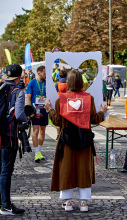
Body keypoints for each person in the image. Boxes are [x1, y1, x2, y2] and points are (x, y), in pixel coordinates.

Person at [45, 69, 107, 212]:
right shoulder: (88, 99)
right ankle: (83, 202)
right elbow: (94, 119)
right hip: (84, 139)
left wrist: (49, 109)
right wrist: (102, 112)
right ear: (81, 82)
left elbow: (57, 121)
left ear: (69, 82)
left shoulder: (61, 99)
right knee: (83, 169)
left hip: (66, 139)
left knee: (66, 168)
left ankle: (67, 202)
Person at [0, 64, 28, 215]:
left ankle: (2, 202)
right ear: (19, 77)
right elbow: (19, 115)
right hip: (9, 135)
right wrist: (28, 116)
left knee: (0, 169)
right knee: (6, 170)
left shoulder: (0, 86)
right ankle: (6, 205)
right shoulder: (18, 92)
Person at [26, 65, 48, 162]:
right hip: (35, 110)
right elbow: (28, 97)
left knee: (43, 130)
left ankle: (39, 151)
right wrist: (30, 111)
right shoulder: (32, 82)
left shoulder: (47, 83)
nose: (46, 75)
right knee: (35, 131)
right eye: (44, 73)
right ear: (39, 73)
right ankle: (36, 153)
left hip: (44, 109)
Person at [55, 69, 67, 140]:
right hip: (67, 102)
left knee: (58, 118)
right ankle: (64, 133)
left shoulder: (57, 84)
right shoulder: (68, 83)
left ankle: (58, 134)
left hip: (59, 101)